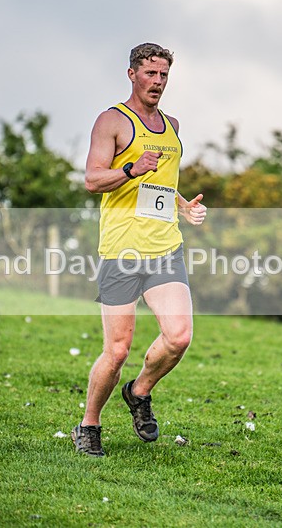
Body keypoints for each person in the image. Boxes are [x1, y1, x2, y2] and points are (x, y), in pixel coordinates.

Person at [72, 43, 207, 457]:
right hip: (121, 249)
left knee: (179, 336)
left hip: (165, 247)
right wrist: (131, 168)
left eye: (164, 75)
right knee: (116, 351)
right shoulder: (112, 121)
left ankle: (139, 391)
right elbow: (93, 180)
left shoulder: (173, 125)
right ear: (132, 74)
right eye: (150, 74)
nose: (158, 82)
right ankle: (89, 425)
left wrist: (183, 206)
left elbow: (160, 182)